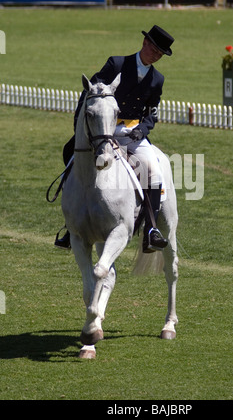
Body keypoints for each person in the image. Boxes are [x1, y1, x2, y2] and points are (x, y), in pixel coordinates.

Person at [55, 25, 174, 254]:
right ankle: (72, 226)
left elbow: (152, 113)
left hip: (132, 134)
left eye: (160, 54)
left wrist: (143, 130)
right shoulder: (117, 64)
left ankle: (150, 231)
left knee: (154, 172)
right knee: (73, 159)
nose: (156, 55)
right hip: (102, 130)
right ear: (145, 43)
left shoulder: (157, 79)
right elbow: (89, 93)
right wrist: (80, 126)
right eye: (154, 49)